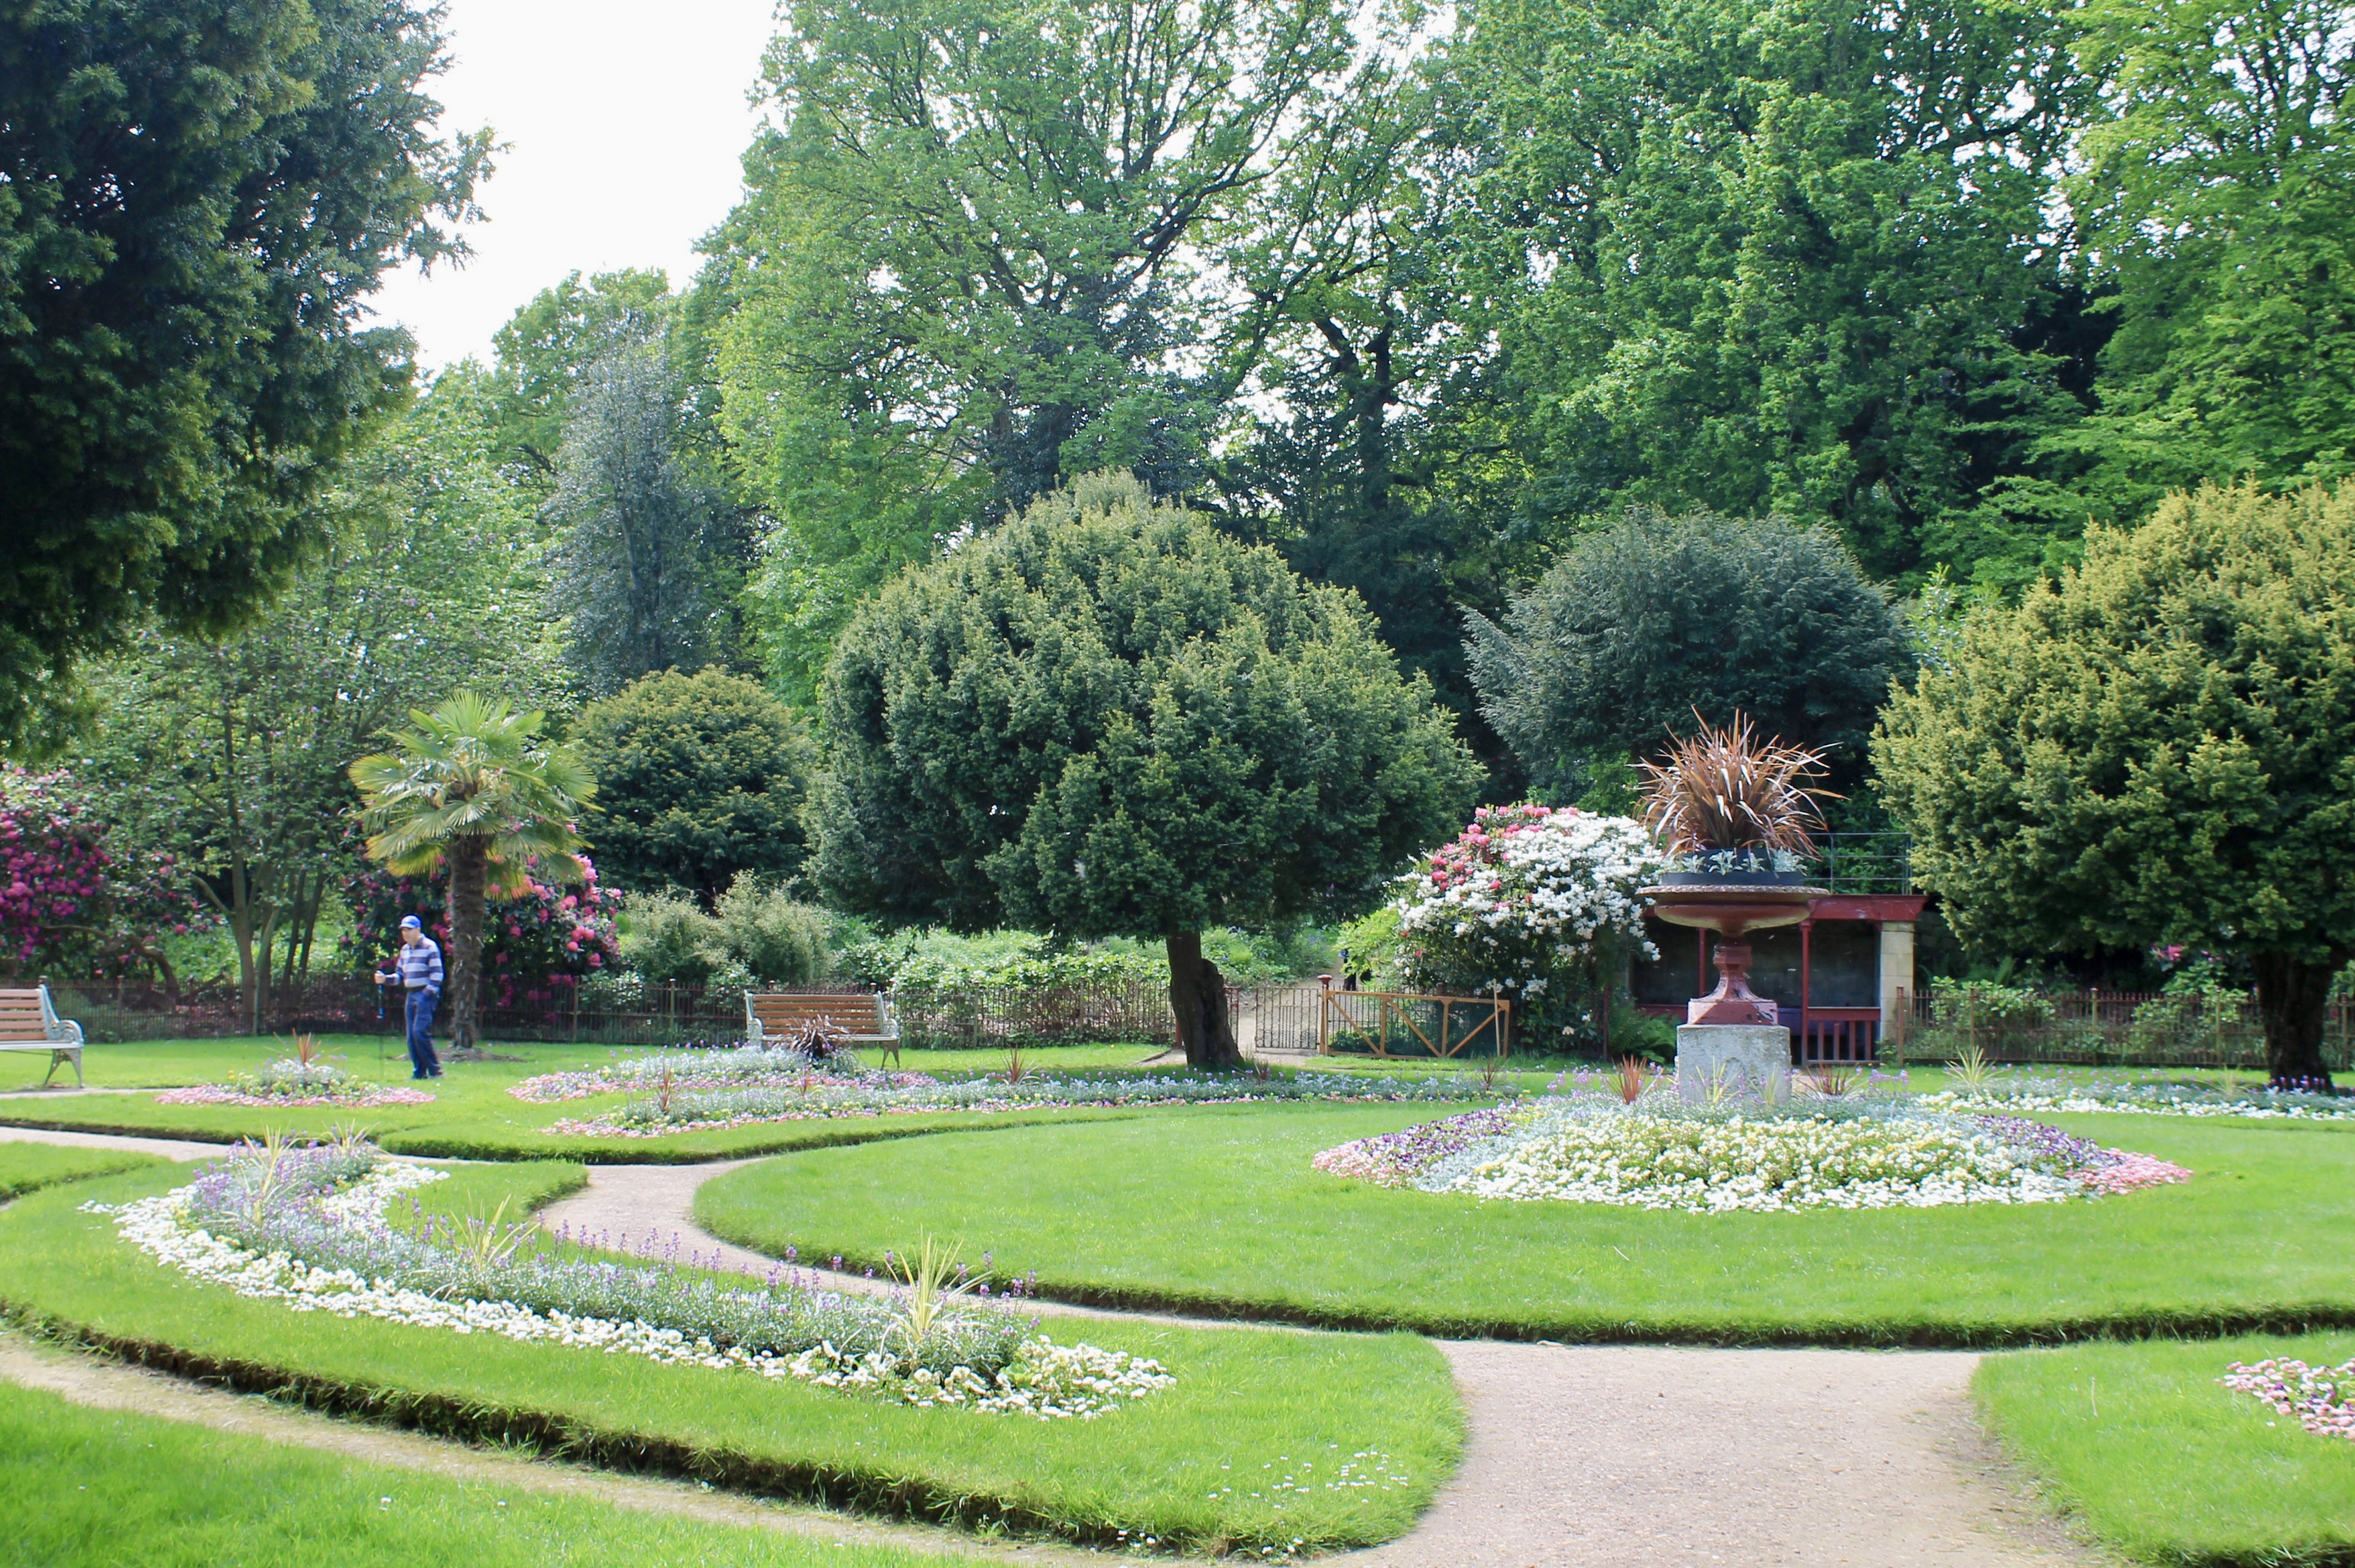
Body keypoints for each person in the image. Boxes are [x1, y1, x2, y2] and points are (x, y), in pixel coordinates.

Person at [376, 914, 444, 1079]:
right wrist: (385, 979)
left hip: (425, 994)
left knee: (419, 1032)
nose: (406, 934)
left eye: (409, 930)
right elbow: (400, 975)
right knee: (411, 1037)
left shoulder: (430, 947)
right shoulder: (405, 950)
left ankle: (435, 1070)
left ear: (418, 930)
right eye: (404, 930)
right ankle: (419, 1072)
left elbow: (437, 975)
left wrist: (425, 995)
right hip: (411, 993)